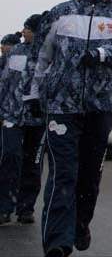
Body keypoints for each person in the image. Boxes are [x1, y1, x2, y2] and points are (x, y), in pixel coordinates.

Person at [33, 0, 112, 256]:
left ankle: (80, 223)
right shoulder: (60, 13)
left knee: (89, 174)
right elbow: (41, 58)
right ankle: (57, 242)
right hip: (62, 106)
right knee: (62, 173)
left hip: (101, 107)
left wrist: (104, 54)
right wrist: (36, 97)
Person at [0, 15, 46, 226]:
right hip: (12, 116)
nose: (24, 32)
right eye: (25, 28)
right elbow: (5, 82)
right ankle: (4, 207)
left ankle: (26, 208)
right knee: (10, 158)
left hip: (37, 120)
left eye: (28, 29)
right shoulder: (16, 52)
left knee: (33, 164)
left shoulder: (49, 52)